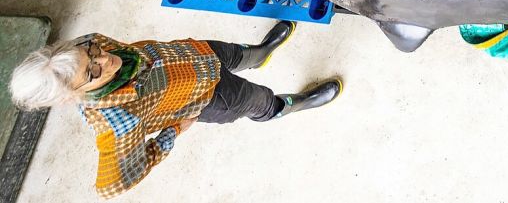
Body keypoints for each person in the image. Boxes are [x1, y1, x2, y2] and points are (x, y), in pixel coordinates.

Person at [7, 21, 340, 199]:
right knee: (259, 98)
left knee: (236, 53)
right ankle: (288, 106)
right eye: (93, 73)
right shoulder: (114, 120)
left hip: (192, 53)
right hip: (209, 95)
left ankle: (261, 53)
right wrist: (172, 133)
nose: (105, 59)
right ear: (71, 96)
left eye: (91, 52)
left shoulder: (88, 42)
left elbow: (101, 52)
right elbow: (112, 185)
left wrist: (91, 54)